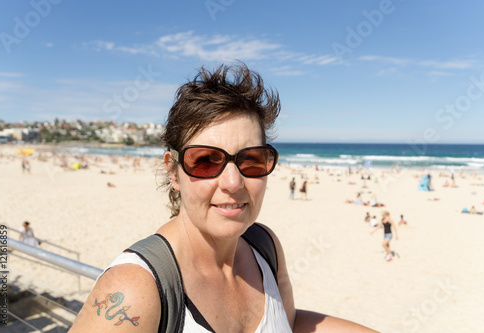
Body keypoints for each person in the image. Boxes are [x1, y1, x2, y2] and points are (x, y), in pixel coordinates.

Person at [70, 63, 375, 332]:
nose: (233, 182)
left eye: (252, 159)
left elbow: (288, 323)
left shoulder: (265, 245)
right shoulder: (137, 290)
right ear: (173, 172)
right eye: (206, 161)